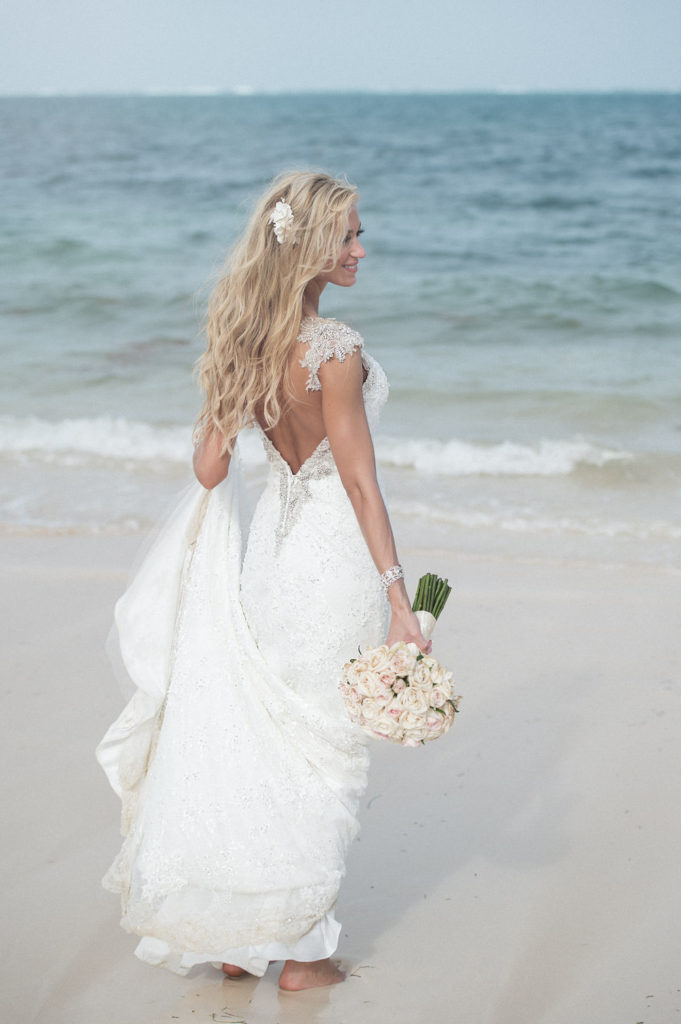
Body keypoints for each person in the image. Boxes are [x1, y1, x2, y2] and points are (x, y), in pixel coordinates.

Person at [96, 170, 428, 992]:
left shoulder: (248, 343)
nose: (360, 247)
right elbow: (357, 483)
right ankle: (306, 955)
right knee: (324, 754)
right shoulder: (335, 349)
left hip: (268, 566)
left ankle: (243, 940)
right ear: (311, 244)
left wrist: (228, 382)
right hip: (331, 562)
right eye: (348, 234)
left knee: (268, 741)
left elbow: (209, 470)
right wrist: (399, 599)